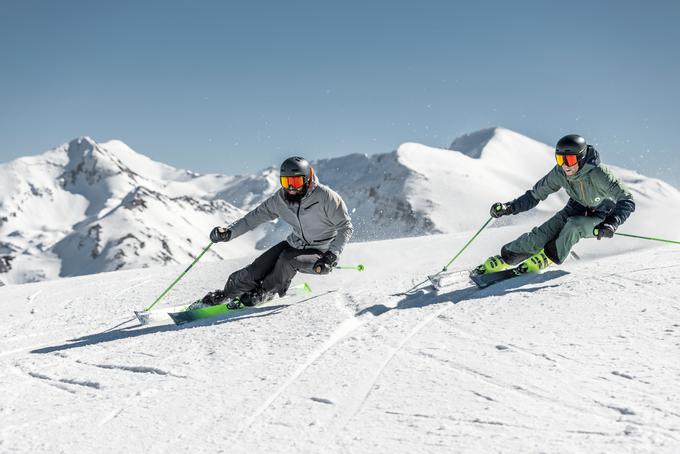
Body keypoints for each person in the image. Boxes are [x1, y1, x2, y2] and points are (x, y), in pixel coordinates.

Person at [200, 156, 353, 308]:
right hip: (295, 244)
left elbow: (345, 227)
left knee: (287, 260)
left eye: (296, 182)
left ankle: (265, 291)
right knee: (256, 269)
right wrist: (228, 232)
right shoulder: (280, 199)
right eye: (286, 182)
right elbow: (253, 218)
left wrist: (331, 256)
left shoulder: (326, 197)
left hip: (322, 253)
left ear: (307, 179)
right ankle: (227, 293)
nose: (291, 188)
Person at [474, 134, 635, 275]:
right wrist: (509, 207)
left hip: (601, 217)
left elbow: (627, 199)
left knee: (573, 226)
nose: (565, 165)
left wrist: (611, 223)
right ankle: (507, 257)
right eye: (560, 159)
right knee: (540, 236)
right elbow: (535, 194)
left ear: (581, 157)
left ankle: (549, 256)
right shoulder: (560, 173)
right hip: (575, 208)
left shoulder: (599, 174)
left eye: (570, 159)